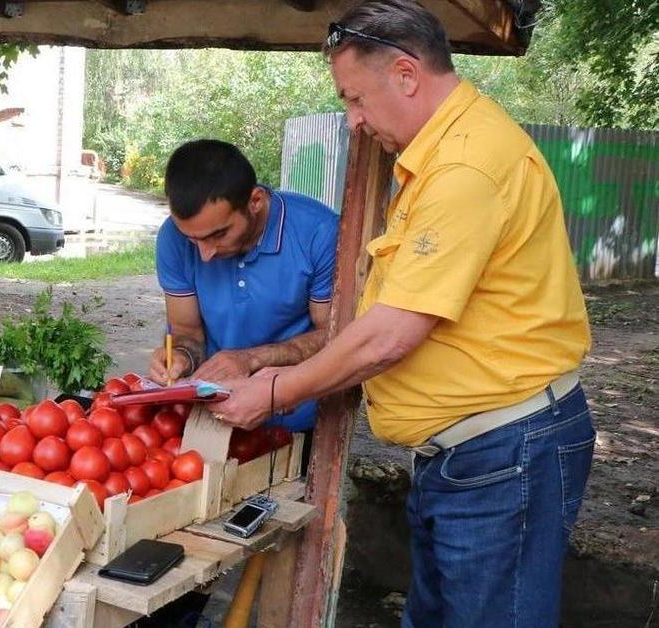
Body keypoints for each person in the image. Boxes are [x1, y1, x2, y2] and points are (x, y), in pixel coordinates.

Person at [209, 1, 594, 626]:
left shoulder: (465, 165)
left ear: (408, 75)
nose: (354, 122)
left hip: (504, 452)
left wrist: (272, 390)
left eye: (355, 99)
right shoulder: (438, 157)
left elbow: (388, 336)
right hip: (467, 454)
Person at [149, 139, 339, 434]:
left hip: (296, 424)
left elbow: (335, 335)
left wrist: (250, 360)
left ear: (255, 201)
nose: (205, 254)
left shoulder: (319, 233)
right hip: (213, 419)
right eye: (192, 240)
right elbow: (186, 333)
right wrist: (181, 358)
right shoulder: (172, 238)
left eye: (218, 234)